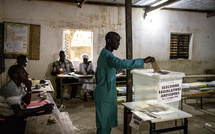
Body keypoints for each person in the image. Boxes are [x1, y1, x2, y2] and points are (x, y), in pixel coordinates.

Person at [94, 31, 155, 134]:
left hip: (108, 94)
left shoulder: (105, 54)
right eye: (116, 41)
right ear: (109, 41)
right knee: (104, 125)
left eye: (119, 41)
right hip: (105, 95)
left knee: (107, 123)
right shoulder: (107, 55)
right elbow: (120, 63)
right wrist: (142, 61)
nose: (118, 43)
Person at [0, 65, 54, 134]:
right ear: (15, 76)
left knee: (42, 117)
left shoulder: (18, 86)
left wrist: (29, 88)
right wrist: (43, 107)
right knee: (37, 125)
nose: (27, 74)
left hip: (12, 117)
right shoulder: (10, 88)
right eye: (24, 73)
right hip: (5, 122)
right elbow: (19, 113)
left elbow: (27, 101)